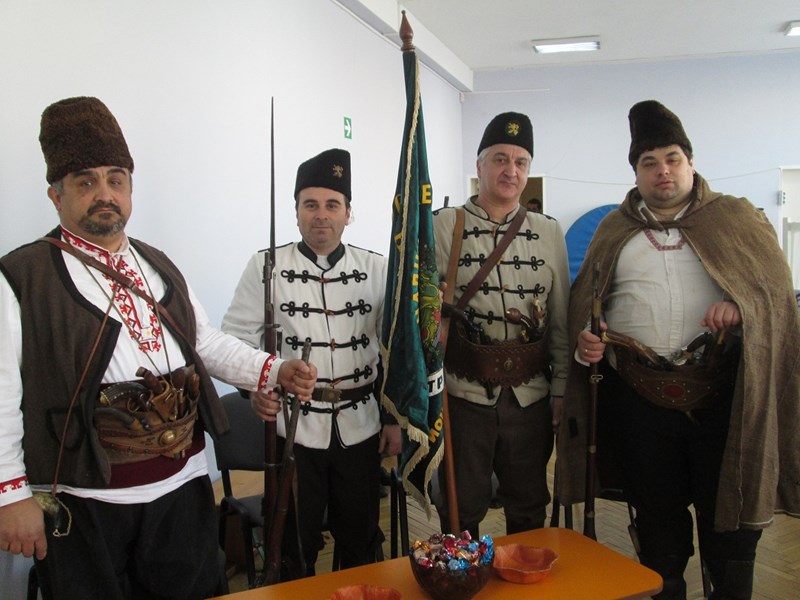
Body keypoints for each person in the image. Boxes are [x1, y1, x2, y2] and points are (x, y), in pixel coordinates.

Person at [0, 96, 318, 600]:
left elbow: (202, 342)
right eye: (85, 182)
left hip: (182, 484)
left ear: (130, 188)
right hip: (85, 497)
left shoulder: (158, 263)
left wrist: (273, 370)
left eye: (116, 180)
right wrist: (10, 494)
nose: (105, 194)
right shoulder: (21, 276)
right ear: (55, 195)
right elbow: (2, 396)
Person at [558, 100, 800, 599]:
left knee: (728, 524)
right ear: (636, 173)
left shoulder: (735, 219)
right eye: (649, 162)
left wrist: (741, 308)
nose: (662, 171)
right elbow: (587, 306)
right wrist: (586, 340)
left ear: (690, 162)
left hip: (723, 404)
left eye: (672, 159)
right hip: (640, 404)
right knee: (657, 524)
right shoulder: (614, 229)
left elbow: (774, 299)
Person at [221, 148, 401, 577]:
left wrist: (392, 418)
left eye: (332, 205)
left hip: (361, 425)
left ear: (348, 213)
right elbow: (235, 339)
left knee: (360, 540)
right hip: (293, 430)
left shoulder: (377, 268)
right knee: (293, 547)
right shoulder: (266, 266)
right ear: (297, 211)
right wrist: (256, 388)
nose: (321, 215)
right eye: (311, 205)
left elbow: (395, 351)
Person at [432, 112, 570, 537]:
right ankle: (464, 574)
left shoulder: (549, 232)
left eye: (520, 162)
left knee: (529, 509)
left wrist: (561, 389)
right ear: (479, 165)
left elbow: (560, 320)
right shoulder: (444, 225)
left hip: (529, 396)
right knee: (460, 511)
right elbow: (423, 314)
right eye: (500, 159)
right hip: (463, 392)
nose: (511, 170)